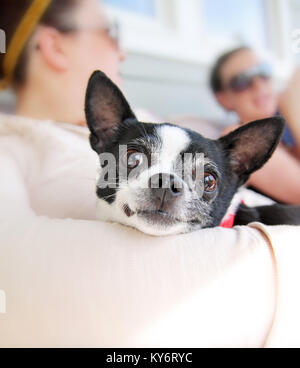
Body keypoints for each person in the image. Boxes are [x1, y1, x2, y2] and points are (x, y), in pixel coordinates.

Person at [0, 1, 300, 348]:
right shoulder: (12, 148)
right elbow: (19, 288)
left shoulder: (160, 122)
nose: (124, 52)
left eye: (205, 180)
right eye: (111, 33)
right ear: (54, 45)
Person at [210, 47, 300, 204]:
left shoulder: (288, 131)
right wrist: (293, 109)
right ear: (224, 99)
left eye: (263, 72)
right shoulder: (236, 140)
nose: (259, 85)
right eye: (242, 81)